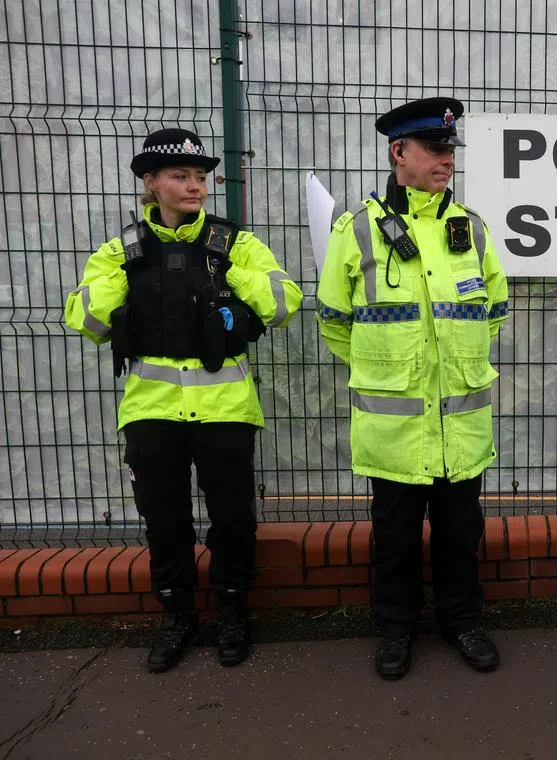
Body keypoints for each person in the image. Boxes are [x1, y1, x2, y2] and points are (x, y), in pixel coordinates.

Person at [64, 129, 301, 673]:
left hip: (225, 413)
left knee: (233, 520)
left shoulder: (234, 243)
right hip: (152, 415)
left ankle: (234, 611)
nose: (194, 186)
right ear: (150, 183)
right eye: (180, 176)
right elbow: (87, 320)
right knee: (164, 521)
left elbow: (284, 301)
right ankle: (178, 616)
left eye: (200, 177)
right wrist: (125, 274)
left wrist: (226, 271)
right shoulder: (122, 250)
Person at [316, 97, 509, 680]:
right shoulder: (356, 231)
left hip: (461, 427)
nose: (447, 160)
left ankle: (462, 622)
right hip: (395, 430)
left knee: (460, 534)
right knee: (394, 540)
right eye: (435, 149)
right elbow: (333, 322)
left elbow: (494, 311)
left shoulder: (471, 229)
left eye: (451, 150)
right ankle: (396, 631)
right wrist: (393, 371)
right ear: (399, 152)